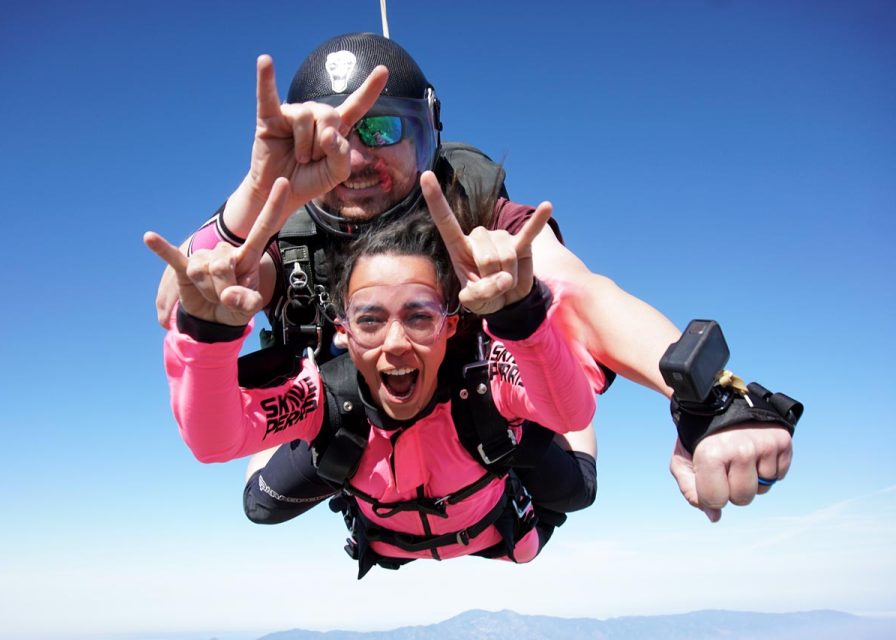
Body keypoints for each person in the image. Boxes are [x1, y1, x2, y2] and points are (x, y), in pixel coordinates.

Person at [154, 32, 796, 522]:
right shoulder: (277, 221)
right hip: (359, 411)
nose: (356, 157)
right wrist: (255, 199)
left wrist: (706, 398)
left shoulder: (473, 203)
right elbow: (187, 293)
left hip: (488, 393)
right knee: (261, 497)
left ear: (427, 131)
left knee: (567, 472)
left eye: (381, 128)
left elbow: (581, 292)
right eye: (330, 137)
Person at [146, 176, 599, 578]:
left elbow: (570, 411)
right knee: (260, 505)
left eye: (420, 317)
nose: (396, 342)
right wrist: (208, 338)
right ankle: (298, 442)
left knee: (578, 490)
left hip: (499, 524)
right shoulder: (326, 398)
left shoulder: (483, 385)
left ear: (451, 324)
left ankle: (531, 419)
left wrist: (521, 320)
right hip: (384, 526)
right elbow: (214, 441)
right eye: (370, 320)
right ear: (342, 333)